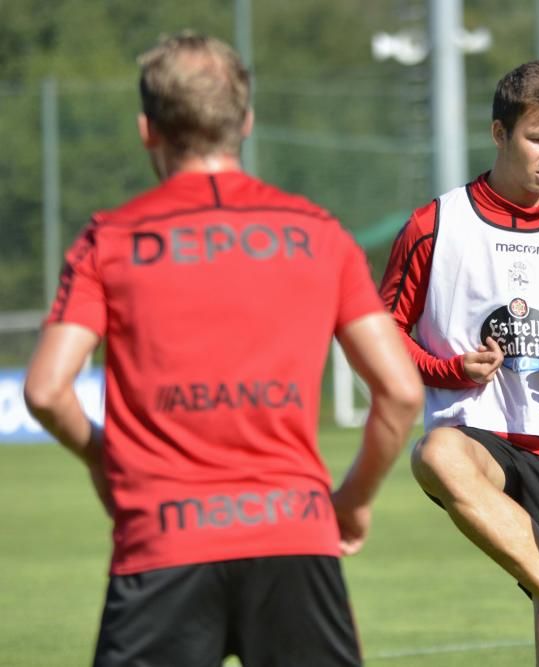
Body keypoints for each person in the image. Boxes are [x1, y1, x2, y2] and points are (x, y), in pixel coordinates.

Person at [23, 31, 423, 667]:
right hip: (295, 533)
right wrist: (351, 500)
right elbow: (401, 391)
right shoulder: (319, 235)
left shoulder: (110, 239)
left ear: (146, 130)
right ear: (246, 122)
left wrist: (104, 458)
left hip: (161, 540)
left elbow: (45, 391)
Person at [379, 61, 539, 667]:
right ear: (499, 134)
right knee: (437, 454)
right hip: (481, 436)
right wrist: (448, 371)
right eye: (537, 138)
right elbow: (381, 335)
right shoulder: (435, 225)